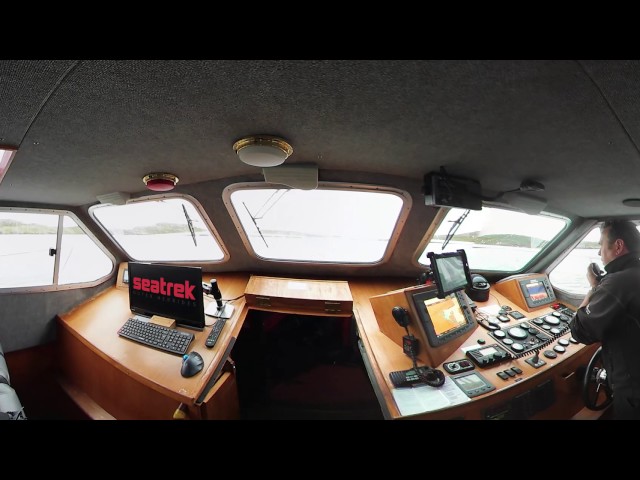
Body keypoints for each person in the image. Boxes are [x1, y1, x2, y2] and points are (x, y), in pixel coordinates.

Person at [569, 219, 640, 419]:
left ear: (618, 246)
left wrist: (593, 288)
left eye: (601, 244)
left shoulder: (617, 282)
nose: (599, 252)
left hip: (633, 392)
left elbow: (580, 329)